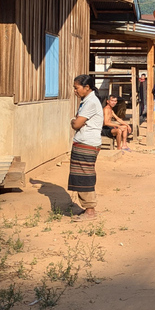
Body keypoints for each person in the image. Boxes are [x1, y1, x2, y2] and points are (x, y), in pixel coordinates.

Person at [69, 74, 104, 222]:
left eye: (77, 88)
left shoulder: (91, 102)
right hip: (84, 142)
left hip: (87, 144)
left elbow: (76, 124)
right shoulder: (87, 101)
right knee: (81, 175)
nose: (75, 91)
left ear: (87, 87)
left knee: (84, 176)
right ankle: (88, 208)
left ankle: (90, 211)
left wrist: (73, 122)